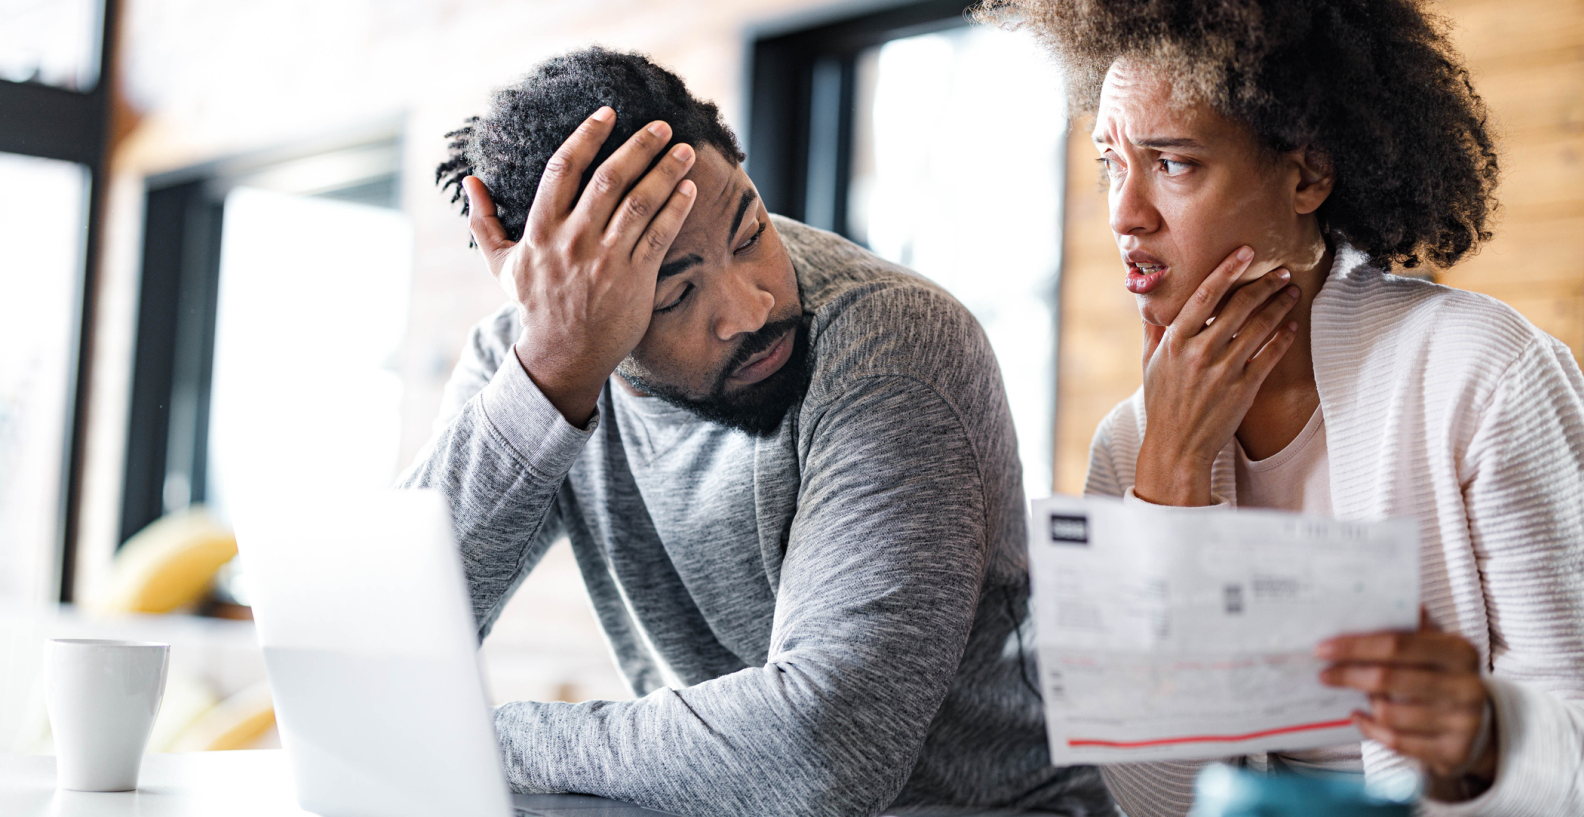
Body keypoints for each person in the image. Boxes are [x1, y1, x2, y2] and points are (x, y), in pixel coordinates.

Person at [978, 0, 1584, 814]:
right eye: (1113, 161)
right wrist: (1170, 484)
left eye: (1175, 164)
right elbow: (1148, 799)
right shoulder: (1131, 447)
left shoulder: (1482, 376)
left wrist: (1480, 736)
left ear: (1306, 178)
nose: (1126, 214)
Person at [401, 47, 1114, 817]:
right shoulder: (535, 362)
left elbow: (824, 751)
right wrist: (549, 377)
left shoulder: (893, 349)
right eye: (672, 294)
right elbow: (388, 641)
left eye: (749, 234)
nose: (750, 308)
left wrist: (487, 740)